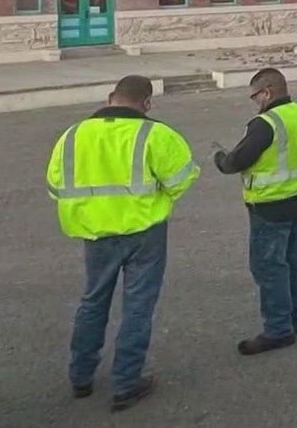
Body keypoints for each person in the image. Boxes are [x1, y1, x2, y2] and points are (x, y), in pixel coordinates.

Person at [46, 75, 198, 411]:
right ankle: (126, 383)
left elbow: (56, 187)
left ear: (110, 97)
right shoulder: (156, 134)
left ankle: (80, 377)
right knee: (138, 306)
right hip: (145, 232)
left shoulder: (72, 135)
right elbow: (182, 179)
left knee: (93, 301)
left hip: (95, 233)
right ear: (146, 104)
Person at [213, 68, 297, 355]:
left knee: (270, 268)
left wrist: (220, 158)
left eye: (254, 96)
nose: (255, 101)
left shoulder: (264, 123)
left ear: (266, 92)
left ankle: (278, 329)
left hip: (270, 204)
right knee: (294, 259)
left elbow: (237, 161)